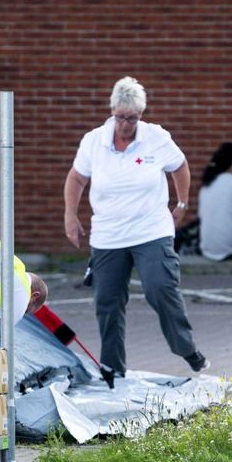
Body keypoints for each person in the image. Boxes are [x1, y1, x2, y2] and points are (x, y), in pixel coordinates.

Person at [63, 76, 208, 376]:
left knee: (160, 288)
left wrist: (181, 203)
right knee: (108, 303)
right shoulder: (94, 141)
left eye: (133, 118)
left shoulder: (155, 137)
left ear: (141, 115)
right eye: (121, 117)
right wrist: (70, 215)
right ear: (112, 110)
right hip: (108, 234)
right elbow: (77, 178)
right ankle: (113, 368)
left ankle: (186, 348)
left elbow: (179, 167)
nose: (126, 124)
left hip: (151, 230)